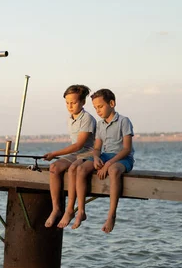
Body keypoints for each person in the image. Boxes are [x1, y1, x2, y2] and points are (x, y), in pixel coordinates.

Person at [72, 88, 135, 233]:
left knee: (113, 171)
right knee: (81, 169)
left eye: (100, 106)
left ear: (111, 103)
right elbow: (97, 148)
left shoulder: (124, 121)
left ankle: (111, 215)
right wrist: (95, 158)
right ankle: (81, 210)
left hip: (123, 157)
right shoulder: (100, 124)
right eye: (95, 108)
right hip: (105, 156)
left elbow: (126, 149)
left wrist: (108, 164)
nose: (98, 111)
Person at [43, 84, 96, 228]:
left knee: (73, 168)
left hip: (89, 154)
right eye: (67, 103)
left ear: (83, 102)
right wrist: (54, 157)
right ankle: (56, 209)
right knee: (54, 167)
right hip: (76, 154)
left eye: (73, 102)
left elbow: (79, 145)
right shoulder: (70, 118)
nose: (70, 106)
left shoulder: (87, 119)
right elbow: (75, 148)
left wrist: (54, 153)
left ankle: (70, 210)